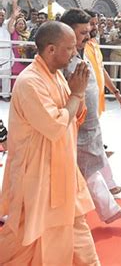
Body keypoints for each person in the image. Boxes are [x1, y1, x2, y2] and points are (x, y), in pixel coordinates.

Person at [0, 21, 100, 265]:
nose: (75, 52)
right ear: (51, 49)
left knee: (75, 226)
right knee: (27, 236)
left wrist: (78, 97)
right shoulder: (30, 82)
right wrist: (76, 94)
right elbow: (55, 126)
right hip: (36, 175)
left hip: (62, 170)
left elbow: (73, 116)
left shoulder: (55, 76)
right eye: (70, 48)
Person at [61, 9, 121, 224]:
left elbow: (100, 72)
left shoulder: (87, 47)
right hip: (72, 123)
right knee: (85, 169)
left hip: (89, 119)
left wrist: (115, 92)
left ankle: (108, 208)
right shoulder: (62, 59)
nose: (90, 32)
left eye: (91, 27)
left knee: (89, 167)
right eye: (84, 30)